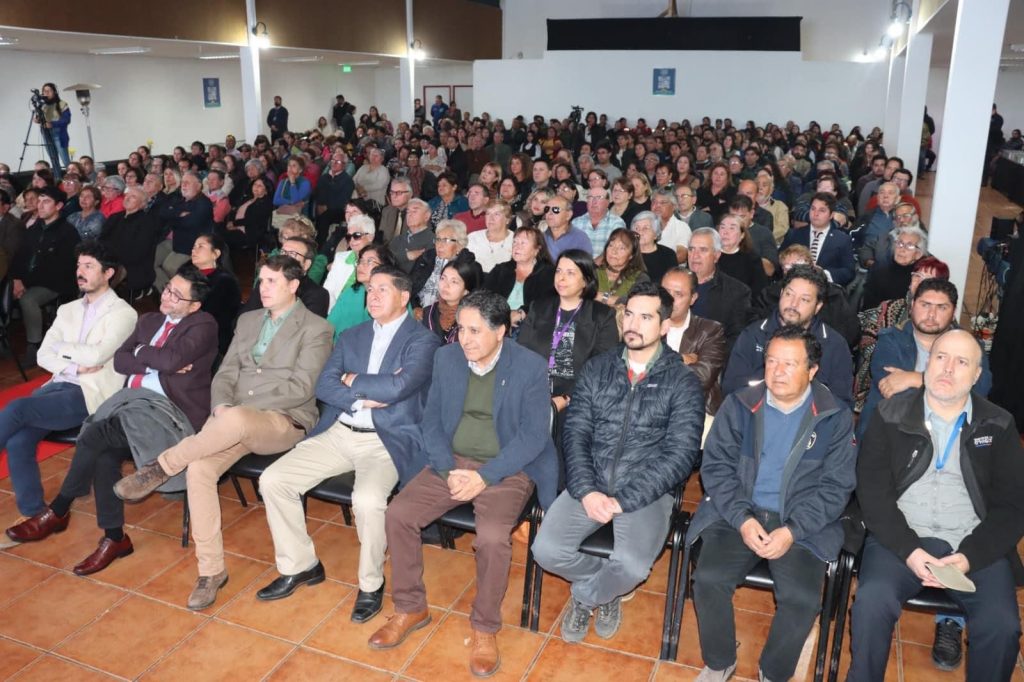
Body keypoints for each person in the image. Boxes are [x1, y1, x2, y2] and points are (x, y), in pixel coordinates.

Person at [113, 255, 333, 610]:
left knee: (234, 421)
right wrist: (220, 405)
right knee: (200, 469)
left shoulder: (317, 328)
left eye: (272, 281)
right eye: (261, 280)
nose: (262, 288)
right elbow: (226, 372)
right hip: (233, 420)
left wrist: (238, 408)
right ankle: (211, 571)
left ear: (294, 285)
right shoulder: (248, 320)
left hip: (283, 420)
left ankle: (162, 466)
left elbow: (301, 388)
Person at [368, 290, 558, 678]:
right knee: (398, 514)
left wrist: (484, 476)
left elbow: (532, 436)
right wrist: (447, 469)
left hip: (506, 467)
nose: (465, 339)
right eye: (461, 329)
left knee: (491, 538)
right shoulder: (447, 357)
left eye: (475, 331)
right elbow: (432, 420)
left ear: (501, 331)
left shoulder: (530, 366)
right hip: (451, 463)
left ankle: (485, 627)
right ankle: (410, 608)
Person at [5, 265, 217, 573]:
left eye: (176, 295)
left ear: (194, 305)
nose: (166, 296)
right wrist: (153, 358)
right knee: (103, 454)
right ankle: (115, 538)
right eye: (168, 288)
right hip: (129, 405)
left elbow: (170, 360)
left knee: (95, 433)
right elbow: (120, 360)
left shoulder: (203, 324)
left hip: (169, 414)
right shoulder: (149, 320)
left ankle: (59, 509)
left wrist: (143, 354)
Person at [257, 265, 440, 621]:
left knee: (368, 500)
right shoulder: (352, 335)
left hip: (385, 439)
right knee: (274, 480)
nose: (373, 295)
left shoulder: (423, 341)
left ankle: (371, 584)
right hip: (340, 430)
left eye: (382, 289)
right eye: (370, 289)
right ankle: (300, 565)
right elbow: (325, 385)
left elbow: (399, 387)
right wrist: (362, 396)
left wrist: (352, 378)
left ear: (404, 297)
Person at [533, 281, 704, 643]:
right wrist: (586, 489)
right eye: (629, 314)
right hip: (591, 480)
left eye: (646, 317)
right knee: (545, 551)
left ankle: (588, 596)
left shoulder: (683, 382)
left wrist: (625, 500)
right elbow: (575, 433)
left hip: (645, 491)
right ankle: (608, 587)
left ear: (664, 326)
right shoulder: (597, 369)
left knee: (632, 564)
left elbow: (681, 455)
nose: (633, 324)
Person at [850, 329, 1024, 682]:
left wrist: (969, 556)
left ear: (976, 375)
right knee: (871, 602)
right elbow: (873, 493)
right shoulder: (889, 414)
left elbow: (1012, 507)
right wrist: (910, 550)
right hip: (901, 538)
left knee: (1002, 625)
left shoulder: (999, 424)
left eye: (962, 362)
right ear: (928, 363)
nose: (948, 368)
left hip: (972, 542)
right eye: (941, 357)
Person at [689, 326, 857, 682]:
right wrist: (743, 519)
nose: (777, 372)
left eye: (790, 364)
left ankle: (774, 671)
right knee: (708, 578)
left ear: (812, 370)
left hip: (800, 523)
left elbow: (836, 487)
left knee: (802, 599)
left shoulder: (835, 417)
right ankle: (720, 661)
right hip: (738, 512)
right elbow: (716, 468)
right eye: (771, 361)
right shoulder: (740, 404)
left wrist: (792, 531)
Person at [0, 242, 137, 526]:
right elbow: (43, 355)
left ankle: (41, 515)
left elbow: (98, 355)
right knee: (18, 440)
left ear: (108, 273)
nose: (80, 272)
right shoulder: (68, 309)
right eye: (78, 265)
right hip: (58, 385)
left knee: (16, 409)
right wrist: (75, 364)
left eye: (88, 266)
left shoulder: (123, 313)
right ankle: (36, 512)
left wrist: (62, 348)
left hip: (88, 393)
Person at [860, 279, 992, 437]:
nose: (931, 315)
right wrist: (951, 389)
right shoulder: (890, 340)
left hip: (949, 430)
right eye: (925, 305)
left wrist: (915, 378)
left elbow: (980, 389)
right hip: (891, 430)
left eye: (942, 308)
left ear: (953, 312)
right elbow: (894, 393)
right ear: (912, 306)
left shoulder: (969, 345)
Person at [723, 265, 854, 408]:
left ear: (818, 306)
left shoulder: (834, 345)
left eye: (804, 299)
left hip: (812, 419)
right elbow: (732, 391)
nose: (793, 304)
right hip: (754, 415)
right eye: (789, 294)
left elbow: (841, 405)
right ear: (781, 293)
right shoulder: (754, 335)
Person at [11, 186, 81, 366]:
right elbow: (19, 255)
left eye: (46, 202)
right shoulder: (34, 228)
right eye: (39, 201)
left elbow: (62, 268)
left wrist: (25, 282)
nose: (40, 206)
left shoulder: (68, 232)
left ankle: (34, 345)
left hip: (54, 283)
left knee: (28, 300)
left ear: (58, 206)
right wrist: (17, 279)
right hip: (28, 279)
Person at [754, 244, 860, 349]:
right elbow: (758, 330)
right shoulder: (769, 294)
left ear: (812, 265)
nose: (794, 271)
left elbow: (850, 334)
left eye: (799, 265)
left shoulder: (834, 295)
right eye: (788, 267)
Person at [661, 267, 727, 417]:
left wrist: (658, 364)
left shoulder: (710, 330)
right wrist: (681, 358)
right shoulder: (646, 325)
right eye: (665, 292)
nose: (670, 300)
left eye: (678, 294)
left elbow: (702, 377)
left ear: (693, 298)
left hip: (694, 411)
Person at [686, 227, 751, 355]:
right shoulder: (671, 284)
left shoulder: (737, 292)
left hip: (711, 358)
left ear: (716, 255)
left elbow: (736, 338)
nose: (695, 255)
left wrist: (705, 357)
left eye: (703, 250)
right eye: (691, 249)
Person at [484, 226, 555, 328]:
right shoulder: (501, 270)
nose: (517, 247)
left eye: (523, 243)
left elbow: (545, 303)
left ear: (537, 249)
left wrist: (522, 313)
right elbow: (484, 296)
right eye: (515, 242)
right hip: (496, 322)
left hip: (530, 325)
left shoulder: (548, 273)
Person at [779, 192, 856, 286]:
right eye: (813, 209)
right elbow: (779, 261)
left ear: (831, 215)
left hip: (827, 288)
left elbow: (849, 272)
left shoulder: (842, 239)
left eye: (822, 210)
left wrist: (823, 274)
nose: (815, 214)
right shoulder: (794, 235)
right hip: (794, 285)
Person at [242, 235, 329, 317]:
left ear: (306, 264)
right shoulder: (266, 282)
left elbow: (306, 326)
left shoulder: (317, 295)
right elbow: (246, 315)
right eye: (283, 252)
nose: (284, 257)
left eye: (292, 254)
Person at [156, 171, 213, 291]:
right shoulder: (180, 199)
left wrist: (173, 217)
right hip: (175, 241)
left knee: (169, 267)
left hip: (190, 246)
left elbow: (189, 223)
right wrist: (179, 214)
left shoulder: (204, 203)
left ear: (198, 185)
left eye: (187, 183)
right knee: (149, 261)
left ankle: (176, 292)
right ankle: (169, 292)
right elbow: (162, 212)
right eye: (182, 182)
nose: (183, 185)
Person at [100, 186, 161, 297]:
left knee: (104, 276)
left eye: (133, 197)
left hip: (130, 265)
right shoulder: (114, 217)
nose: (127, 198)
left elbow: (137, 252)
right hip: (107, 259)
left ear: (142, 204)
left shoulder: (147, 223)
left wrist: (110, 255)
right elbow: (101, 240)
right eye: (127, 195)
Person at [327, 243, 398, 338]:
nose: (361, 266)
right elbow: (329, 325)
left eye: (369, 261)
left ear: (385, 267)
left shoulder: (395, 297)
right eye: (360, 261)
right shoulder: (352, 291)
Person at [411, 219, 479, 307]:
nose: (440, 245)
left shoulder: (468, 267)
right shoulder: (426, 258)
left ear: (459, 245)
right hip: (418, 309)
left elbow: (472, 300)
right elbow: (411, 286)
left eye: (446, 240)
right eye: (438, 239)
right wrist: (415, 307)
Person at [421, 252, 482, 343]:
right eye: (443, 278)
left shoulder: (473, 318)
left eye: (454, 282)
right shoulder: (429, 312)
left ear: (466, 290)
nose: (446, 285)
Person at [715, 213, 770, 299]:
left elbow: (759, 292)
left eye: (732, 228)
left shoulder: (752, 259)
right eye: (722, 227)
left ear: (742, 235)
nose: (725, 232)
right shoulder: (710, 255)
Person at [596, 228, 650, 306]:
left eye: (622, 248)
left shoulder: (640, 278)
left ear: (631, 255)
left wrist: (601, 297)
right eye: (611, 245)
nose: (614, 251)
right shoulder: (594, 272)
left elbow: (636, 303)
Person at [313, 150, 355, 245]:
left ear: (344, 165)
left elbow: (343, 200)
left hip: (337, 210)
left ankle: (321, 246)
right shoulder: (324, 177)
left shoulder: (347, 180)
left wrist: (326, 206)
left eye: (338, 162)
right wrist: (319, 205)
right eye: (333, 160)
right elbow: (317, 193)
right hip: (320, 207)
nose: (334, 163)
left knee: (324, 218)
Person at [571, 187, 626, 255]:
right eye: (590, 197)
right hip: (580, 260)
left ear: (607, 202)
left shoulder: (616, 223)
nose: (594, 202)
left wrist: (596, 261)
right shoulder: (576, 223)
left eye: (599, 197)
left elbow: (616, 251)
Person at [467, 199, 514, 273]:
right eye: (488, 214)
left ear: (507, 219)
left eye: (497, 214)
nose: (491, 218)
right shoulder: (473, 237)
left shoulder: (515, 241)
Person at [632, 211, 678, 286]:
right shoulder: (628, 253)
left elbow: (672, 282)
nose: (640, 232)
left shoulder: (668, 254)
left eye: (645, 228)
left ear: (655, 234)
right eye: (637, 228)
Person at [36, 82, 72, 167]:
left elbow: (66, 120)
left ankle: (71, 174)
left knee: (66, 160)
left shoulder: (62, 104)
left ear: (55, 92)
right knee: (54, 162)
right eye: (44, 91)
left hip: (59, 134)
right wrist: (38, 120)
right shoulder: (42, 106)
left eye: (49, 91)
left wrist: (53, 124)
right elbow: (42, 118)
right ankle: (57, 175)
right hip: (46, 133)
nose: (47, 93)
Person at [379, 177, 414, 244]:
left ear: (410, 194)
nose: (394, 196)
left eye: (399, 193)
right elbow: (381, 237)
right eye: (392, 192)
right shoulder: (387, 211)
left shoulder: (419, 214)